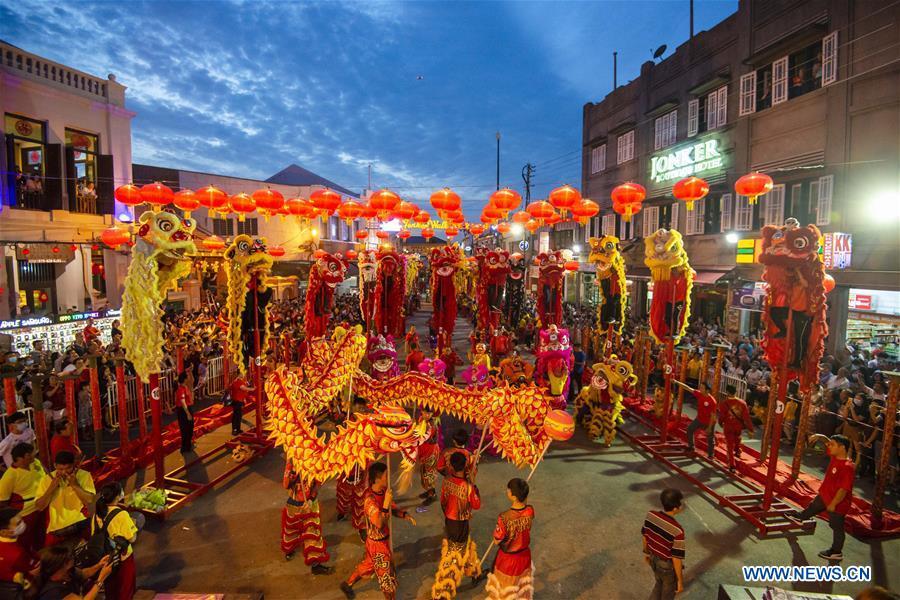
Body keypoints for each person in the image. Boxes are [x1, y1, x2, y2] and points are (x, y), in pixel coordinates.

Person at [340, 462, 416, 600]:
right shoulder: (369, 500)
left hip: (380, 541)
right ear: (377, 478)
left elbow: (391, 508)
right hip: (377, 545)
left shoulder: (383, 492)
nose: (388, 478)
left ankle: (347, 583)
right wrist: (386, 504)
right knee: (387, 579)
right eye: (386, 476)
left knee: (367, 566)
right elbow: (379, 523)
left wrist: (403, 514)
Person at [788, 434, 855, 561]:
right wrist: (821, 436)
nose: (829, 446)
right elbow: (827, 443)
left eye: (832, 444)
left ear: (842, 448)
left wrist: (834, 503)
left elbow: (843, 490)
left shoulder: (847, 467)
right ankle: (800, 517)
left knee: (836, 527)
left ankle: (836, 552)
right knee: (812, 507)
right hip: (825, 495)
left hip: (837, 503)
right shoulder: (835, 456)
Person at [431, 451, 482, 598]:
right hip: (460, 524)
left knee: (465, 546)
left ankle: (473, 571)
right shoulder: (467, 486)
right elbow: (477, 504)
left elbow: (443, 501)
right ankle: (443, 589)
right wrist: (474, 484)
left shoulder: (446, 480)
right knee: (454, 555)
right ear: (465, 466)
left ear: (451, 465)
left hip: (449, 520)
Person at [484, 478, 535, 600]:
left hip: (508, 561)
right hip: (524, 557)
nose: (507, 491)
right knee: (520, 590)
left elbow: (497, 540)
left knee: (505, 592)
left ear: (513, 496)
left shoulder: (504, 517)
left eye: (509, 490)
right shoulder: (530, 511)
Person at [280, 462, 334, 575]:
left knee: (313, 535)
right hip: (294, 504)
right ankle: (290, 549)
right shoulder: (292, 462)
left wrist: (311, 499)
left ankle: (315, 565)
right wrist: (293, 470)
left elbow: (318, 483)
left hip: (310, 504)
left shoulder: (316, 461)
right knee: (292, 530)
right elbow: (285, 484)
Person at [34, 451, 95, 547]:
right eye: (60, 469)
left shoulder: (84, 475)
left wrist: (75, 485)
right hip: (57, 528)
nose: (64, 472)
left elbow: (89, 501)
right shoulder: (46, 479)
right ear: (55, 465)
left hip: (79, 523)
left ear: (74, 465)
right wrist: (51, 488)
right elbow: (39, 507)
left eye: (68, 468)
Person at [92, 483, 138, 600]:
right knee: (125, 591)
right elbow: (132, 538)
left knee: (111, 591)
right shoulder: (121, 514)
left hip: (106, 559)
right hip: (123, 559)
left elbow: (94, 535)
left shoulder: (96, 514)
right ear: (118, 496)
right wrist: (133, 524)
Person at [0, 443, 47, 551]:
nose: (34, 455)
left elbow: (45, 474)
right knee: (25, 540)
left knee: (41, 536)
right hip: (26, 513)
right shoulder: (9, 476)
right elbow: (2, 502)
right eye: (31, 454)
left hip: (43, 505)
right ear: (23, 457)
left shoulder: (35, 462)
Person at [641, 488, 686, 600]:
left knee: (658, 584)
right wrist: (680, 582)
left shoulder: (651, 515)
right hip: (666, 566)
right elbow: (676, 558)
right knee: (667, 594)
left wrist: (647, 553)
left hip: (653, 560)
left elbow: (645, 536)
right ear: (676, 508)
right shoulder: (677, 530)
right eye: (681, 503)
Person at [36, 545, 113, 600]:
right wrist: (100, 580)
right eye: (69, 559)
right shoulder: (53, 592)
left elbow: (84, 574)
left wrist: (99, 565)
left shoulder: (68, 571)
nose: (72, 559)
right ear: (59, 566)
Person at [673, 380, 717, 458]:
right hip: (699, 419)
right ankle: (691, 446)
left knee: (710, 439)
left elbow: (713, 416)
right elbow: (687, 388)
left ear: (707, 390)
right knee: (689, 429)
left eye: (702, 388)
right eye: (700, 387)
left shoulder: (712, 401)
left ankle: (711, 455)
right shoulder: (699, 394)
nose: (700, 389)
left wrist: (710, 428)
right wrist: (676, 382)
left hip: (708, 422)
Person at [0, 507, 39, 593]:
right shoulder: (17, 553)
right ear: (4, 532)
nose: (23, 523)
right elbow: (34, 570)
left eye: (22, 519)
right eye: (18, 523)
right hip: (21, 589)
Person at [718, 385, 754, 472]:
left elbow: (721, 416)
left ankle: (732, 465)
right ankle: (738, 451)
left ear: (727, 392)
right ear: (735, 392)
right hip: (738, 427)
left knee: (729, 446)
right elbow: (746, 418)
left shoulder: (724, 403)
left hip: (728, 426)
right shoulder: (742, 403)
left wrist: (720, 423)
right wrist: (750, 429)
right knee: (737, 438)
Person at [175, 372, 194, 453]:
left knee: (190, 427)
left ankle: (188, 444)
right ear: (185, 379)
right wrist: (188, 413)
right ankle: (185, 447)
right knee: (185, 428)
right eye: (187, 377)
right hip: (183, 410)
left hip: (188, 408)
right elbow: (183, 402)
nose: (188, 378)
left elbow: (192, 381)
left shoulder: (185, 386)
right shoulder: (180, 389)